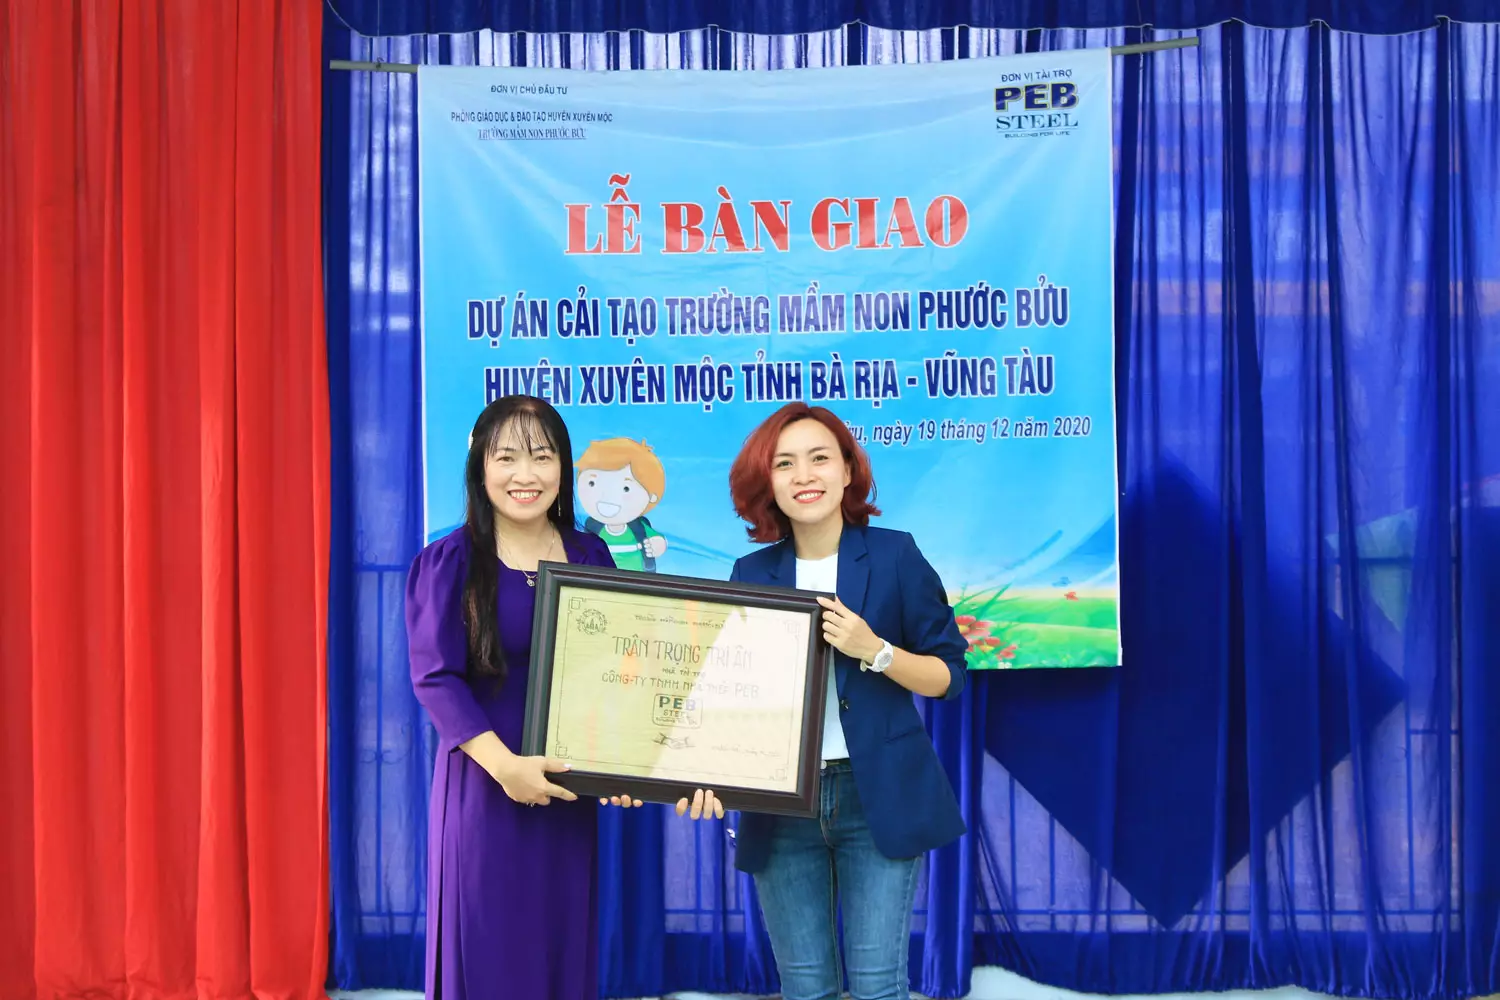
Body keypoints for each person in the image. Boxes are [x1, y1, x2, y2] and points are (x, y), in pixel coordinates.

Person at [677, 401, 969, 1000]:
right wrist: (699, 771)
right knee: (805, 987)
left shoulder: (894, 555)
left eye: (819, 458)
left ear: (847, 471)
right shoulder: (751, 572)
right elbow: (731, 695)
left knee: (878, 986)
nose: (804, 475)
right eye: (784, 463)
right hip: (783, 803)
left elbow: (947, 675)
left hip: (876, 794)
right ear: (767, 481)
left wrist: (875, 649)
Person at [405, 395, 641, 1000]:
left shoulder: (590, 553)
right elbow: (436, 678)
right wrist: (507, 767)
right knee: (490, 950)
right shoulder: (449, 562)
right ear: (480, 468)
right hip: (487, 783)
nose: (525, 474)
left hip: (567, 784)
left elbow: (612, 665)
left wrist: (626, 761)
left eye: (541, 456)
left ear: (563, 467)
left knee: (560, 944)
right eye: (506, 457)